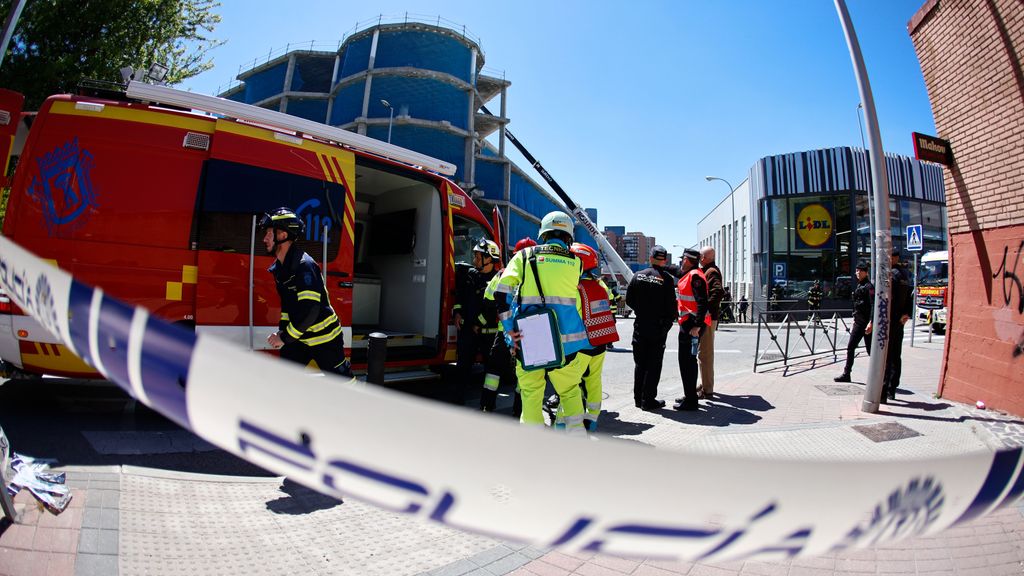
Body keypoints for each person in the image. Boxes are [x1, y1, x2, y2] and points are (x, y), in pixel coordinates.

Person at [493, 212, 590, 434]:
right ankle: (577, 438)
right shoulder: (577, 263)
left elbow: (501, 295)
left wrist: (510, 331)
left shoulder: (525, 256)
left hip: (530, 339)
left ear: (543, 234)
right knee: (569, 392)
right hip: (568, 343)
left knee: (531, 395)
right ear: (568, 236)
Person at [260, 207, 351, 376]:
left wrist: (285, 337)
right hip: (299, 337)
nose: (264, 238)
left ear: (283, 235)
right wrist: (283, 332)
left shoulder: (304, 266)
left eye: (269, 233)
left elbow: (310, 310)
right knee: (285, 378)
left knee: (342, 382)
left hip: (325, 338)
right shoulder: (280, 269)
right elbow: (288, 308)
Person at [480, 237, 535, 415]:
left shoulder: (503, 273)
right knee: (525, 371)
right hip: (528, 332)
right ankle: (519, 411)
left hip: (505, 331)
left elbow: (488, 299)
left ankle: (487, 406)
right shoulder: (537, 275)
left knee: (493, 370)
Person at [569, 242, 618, 430]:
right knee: (594, 380)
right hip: (600, 342)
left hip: (581, 344)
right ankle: (592, 420)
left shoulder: (575, 287)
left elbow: (573, 316)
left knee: (570, 385)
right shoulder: (601, 285)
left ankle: (568, 424)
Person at [626, 245, 678, 411]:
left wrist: (641, 311)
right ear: (664, 260)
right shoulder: (667, 279)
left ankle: (637, 398)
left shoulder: (637, 276)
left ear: (650, 258)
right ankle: (648, 400)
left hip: (640, 325)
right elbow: (672, 308)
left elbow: (629, 300)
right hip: (658, 328)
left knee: (640, 364)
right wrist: (666, 324)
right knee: (653, 365)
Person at [452, 238, 502, 404]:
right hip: (468, 332)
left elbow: (492, 309)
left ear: (489, 258)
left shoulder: (498, 281)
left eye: (478, 256)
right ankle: (458, 400)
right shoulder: (470, 276)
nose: (474, 259)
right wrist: (458, 312)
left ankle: (487, 405)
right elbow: (461, 297)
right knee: (462, 367)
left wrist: (478, 323)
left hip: (488, 335)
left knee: (491, 371)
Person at [674, 248, 709, 411]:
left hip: (692, 325)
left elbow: (702, 303)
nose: (681, 262)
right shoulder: (690, 273)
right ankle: (689, 395)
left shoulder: (695, 276)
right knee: (686, 362)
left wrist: (697, 326)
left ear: (687, 260)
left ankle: (691, 400)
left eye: (683, 259)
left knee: (687, 362)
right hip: (689, 323)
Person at [883, 250, 914, 403]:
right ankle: (891, 389)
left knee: (887, 356)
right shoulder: (905, 275)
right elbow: (910, 295)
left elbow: (886, 298)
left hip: (890, 319)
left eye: (890, 257)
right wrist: (907, 313)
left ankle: (883, 391)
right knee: (896, 355)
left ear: (894, 258)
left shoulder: (892, 275)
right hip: (899, 320)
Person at [835, 262, 875, 382]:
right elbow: (857, 304)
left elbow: (873, 305)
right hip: (858, 322)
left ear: (866, 272)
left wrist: (871, 322)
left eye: (860, 271)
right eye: (856, 271)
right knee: (851, 347)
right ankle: (847, 374)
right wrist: (854, 317)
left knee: (871, 350)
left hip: (866, 323)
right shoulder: (859, 285)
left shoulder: (869, 287)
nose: (858, 273)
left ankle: (878, 376)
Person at [697, 246, 724, 399]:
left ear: (705, 258)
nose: (699, 258)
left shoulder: (711, 271)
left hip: (708, 318)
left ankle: (707, 389)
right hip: (709, 317)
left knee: (705, 354)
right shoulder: (708, 270)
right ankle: (705, 383)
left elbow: (718, 291)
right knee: (703, 353)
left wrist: (705, 309)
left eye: (700, 255)